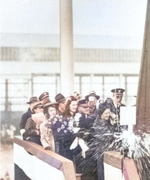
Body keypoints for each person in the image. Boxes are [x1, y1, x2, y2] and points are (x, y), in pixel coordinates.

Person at [50, 96, 78, 160]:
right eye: (73, 105)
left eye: (76, 105)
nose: (75, 107)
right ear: (68, 105)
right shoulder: (62, 118)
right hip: (66, 146)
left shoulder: (77, 116)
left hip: (76, 145)